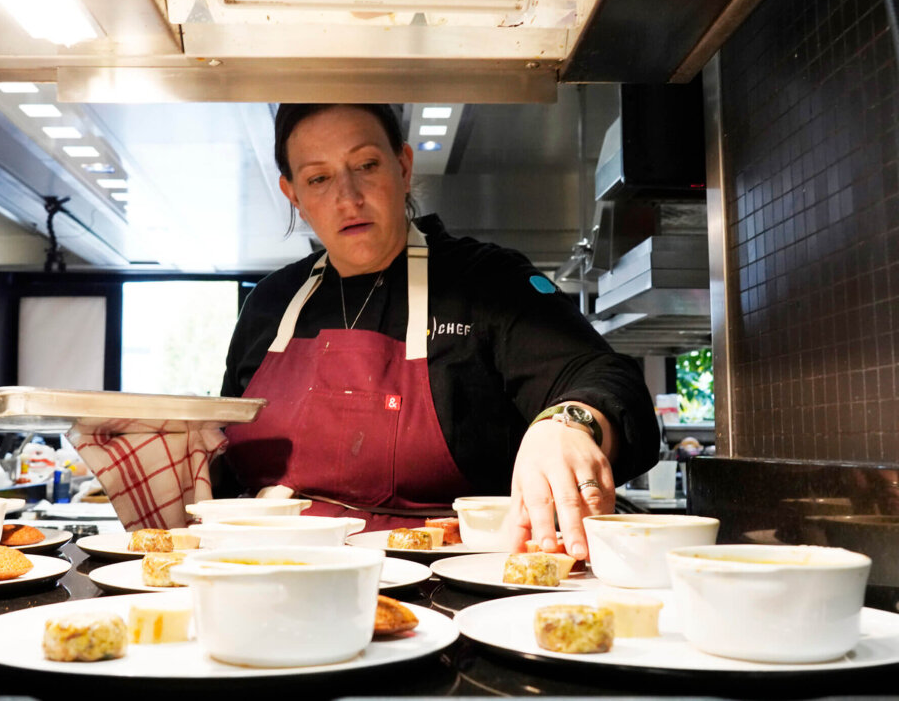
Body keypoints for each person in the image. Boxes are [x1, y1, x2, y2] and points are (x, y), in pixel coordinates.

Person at [218, 103, 659, 560]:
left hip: (453, 590)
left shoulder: (489, 282)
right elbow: (220, 458)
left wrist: (570, 424)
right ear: (293, 196)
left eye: (367, 166)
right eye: (318, 179)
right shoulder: (270, 305)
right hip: (276, 576)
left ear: (404, 166)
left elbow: (608, 379)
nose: (348, 198)